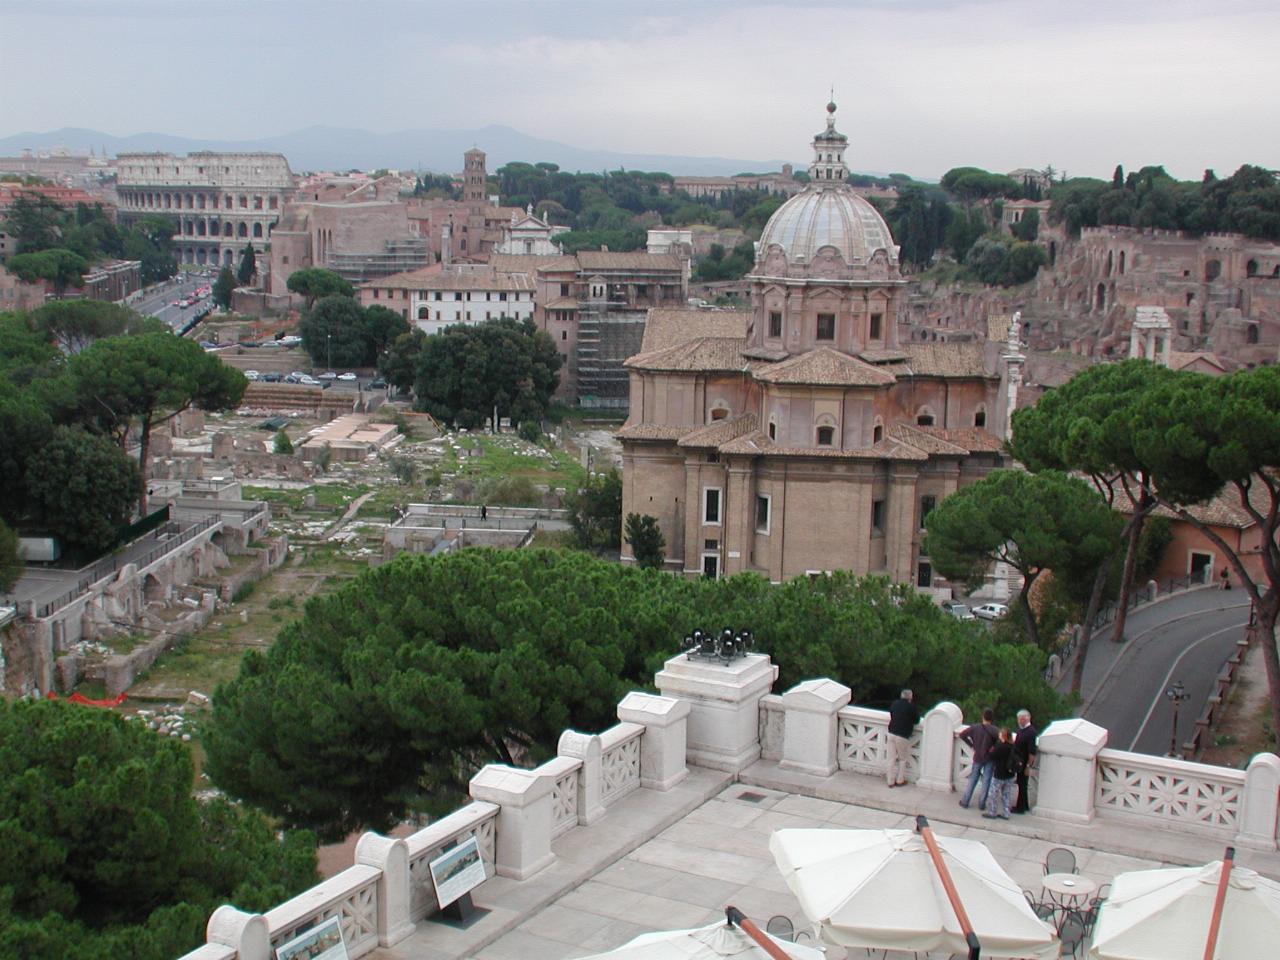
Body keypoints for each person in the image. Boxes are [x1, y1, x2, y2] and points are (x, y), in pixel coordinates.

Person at [957, 707, 999, 809]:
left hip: (978, 756)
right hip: (990, 757)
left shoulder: (975, 727)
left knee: (973, 779)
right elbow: (1000, 742)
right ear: (992, 718)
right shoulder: (995, 730)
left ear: (983, 717)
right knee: (986, 780)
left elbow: (962, 735)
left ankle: (965, 801)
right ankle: (982, 803)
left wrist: (972, 745)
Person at [886, 689, 918, 787]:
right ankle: (900, 780)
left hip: (891, 732)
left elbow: (891, 714)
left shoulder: (895, 703)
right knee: (902, 758)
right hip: (902, 735)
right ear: (910, 697)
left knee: (891, 758)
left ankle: (890, 781)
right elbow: (916, 720)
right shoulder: (912, 707)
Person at [983, 728, 1016, 819]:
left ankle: (992, 812)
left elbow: (992, 756)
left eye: (1001, 734)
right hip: (1010, 774)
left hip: (999, 773)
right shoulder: (1013, 746)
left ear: (1003, 736)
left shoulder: (1000, 746)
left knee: (993, 794)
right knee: (1006, 794)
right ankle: (1006, 813)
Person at [1011, 709, 1038, 814]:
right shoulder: (1022, 730)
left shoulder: (1030, 732)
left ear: (1026, 719)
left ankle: (1020, 808)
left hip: (1024, 763)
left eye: (1020, 719)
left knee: (1023, 785)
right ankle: (1024, 805)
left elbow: (1032, 752)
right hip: (1019, 762)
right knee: (1021, 784)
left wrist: (1028, 766)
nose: (1018, 721)